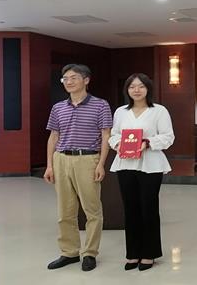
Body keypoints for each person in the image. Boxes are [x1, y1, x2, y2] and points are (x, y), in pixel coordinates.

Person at [44, 64, 113, 272]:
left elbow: (106, 136)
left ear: (86, 80)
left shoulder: (100, 105)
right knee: (65, 210)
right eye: (65, 78)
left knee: (92, 209)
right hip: (61, 159)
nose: (69, 82)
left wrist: (101, 164)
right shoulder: (58, 107)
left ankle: (90, 253)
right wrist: (49, 165)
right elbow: (53, 136)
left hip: (87, 159)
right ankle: (69, 252)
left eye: (74, 77)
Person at [109, 73, 174, 271]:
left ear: (148, 89)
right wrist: (118, 144)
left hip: (150, 165)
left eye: (141, 86)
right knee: (130, 208)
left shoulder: (159, 111)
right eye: (132, 87)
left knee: (149, 208)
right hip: (125, 164)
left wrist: (147, 143)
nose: (136, 90)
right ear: (127, 90)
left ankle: (149, 253)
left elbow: (168, 137)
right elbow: (113, 135)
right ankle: (133, 253)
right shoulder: (121, 112)